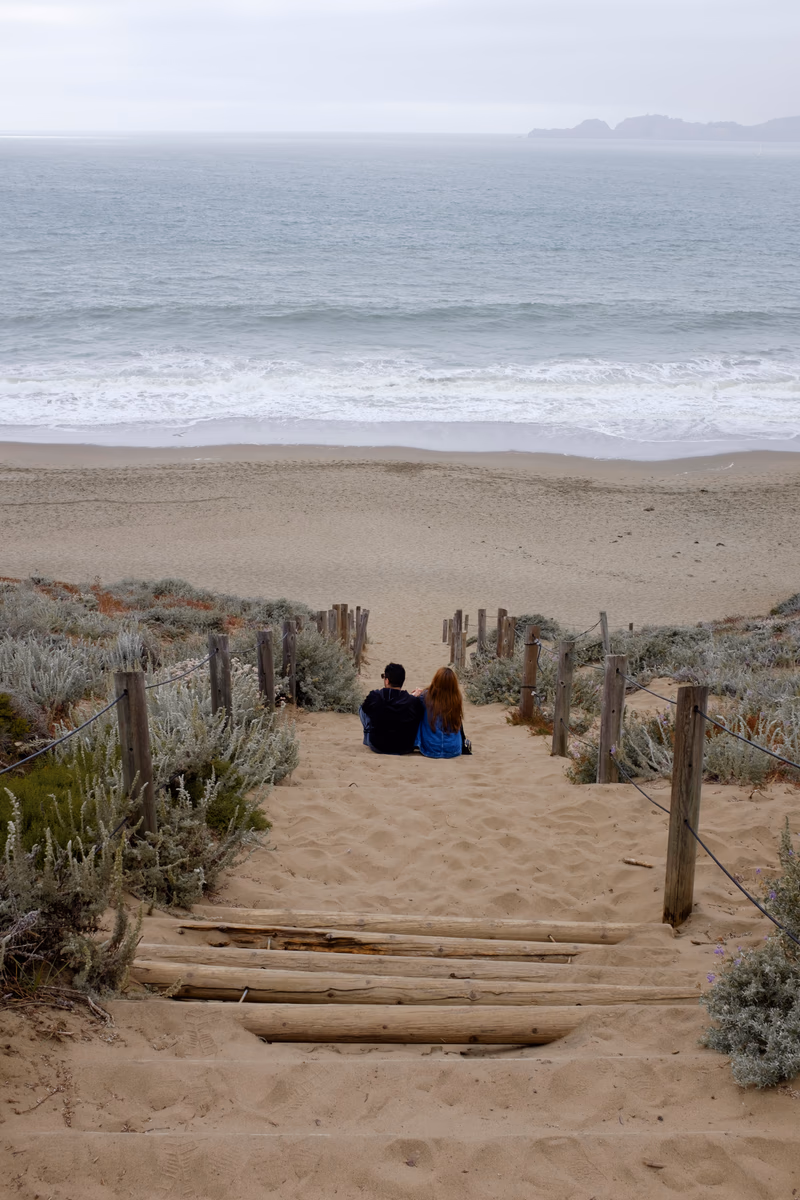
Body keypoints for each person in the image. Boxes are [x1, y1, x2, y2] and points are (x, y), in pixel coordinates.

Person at [359, 663, 424, 755]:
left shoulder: (375, 696)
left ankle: (367, 738)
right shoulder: (412, 701)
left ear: (387, 681)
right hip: (404, 747)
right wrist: (414, 697)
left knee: (362, 708)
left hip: (378, 745)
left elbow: (365, 709)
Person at [412, 666, 464, 759]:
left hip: (431, 748)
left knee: (420, 714)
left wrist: (416, 695)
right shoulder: (457, 698)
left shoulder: (426, 697)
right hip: (453, 749)